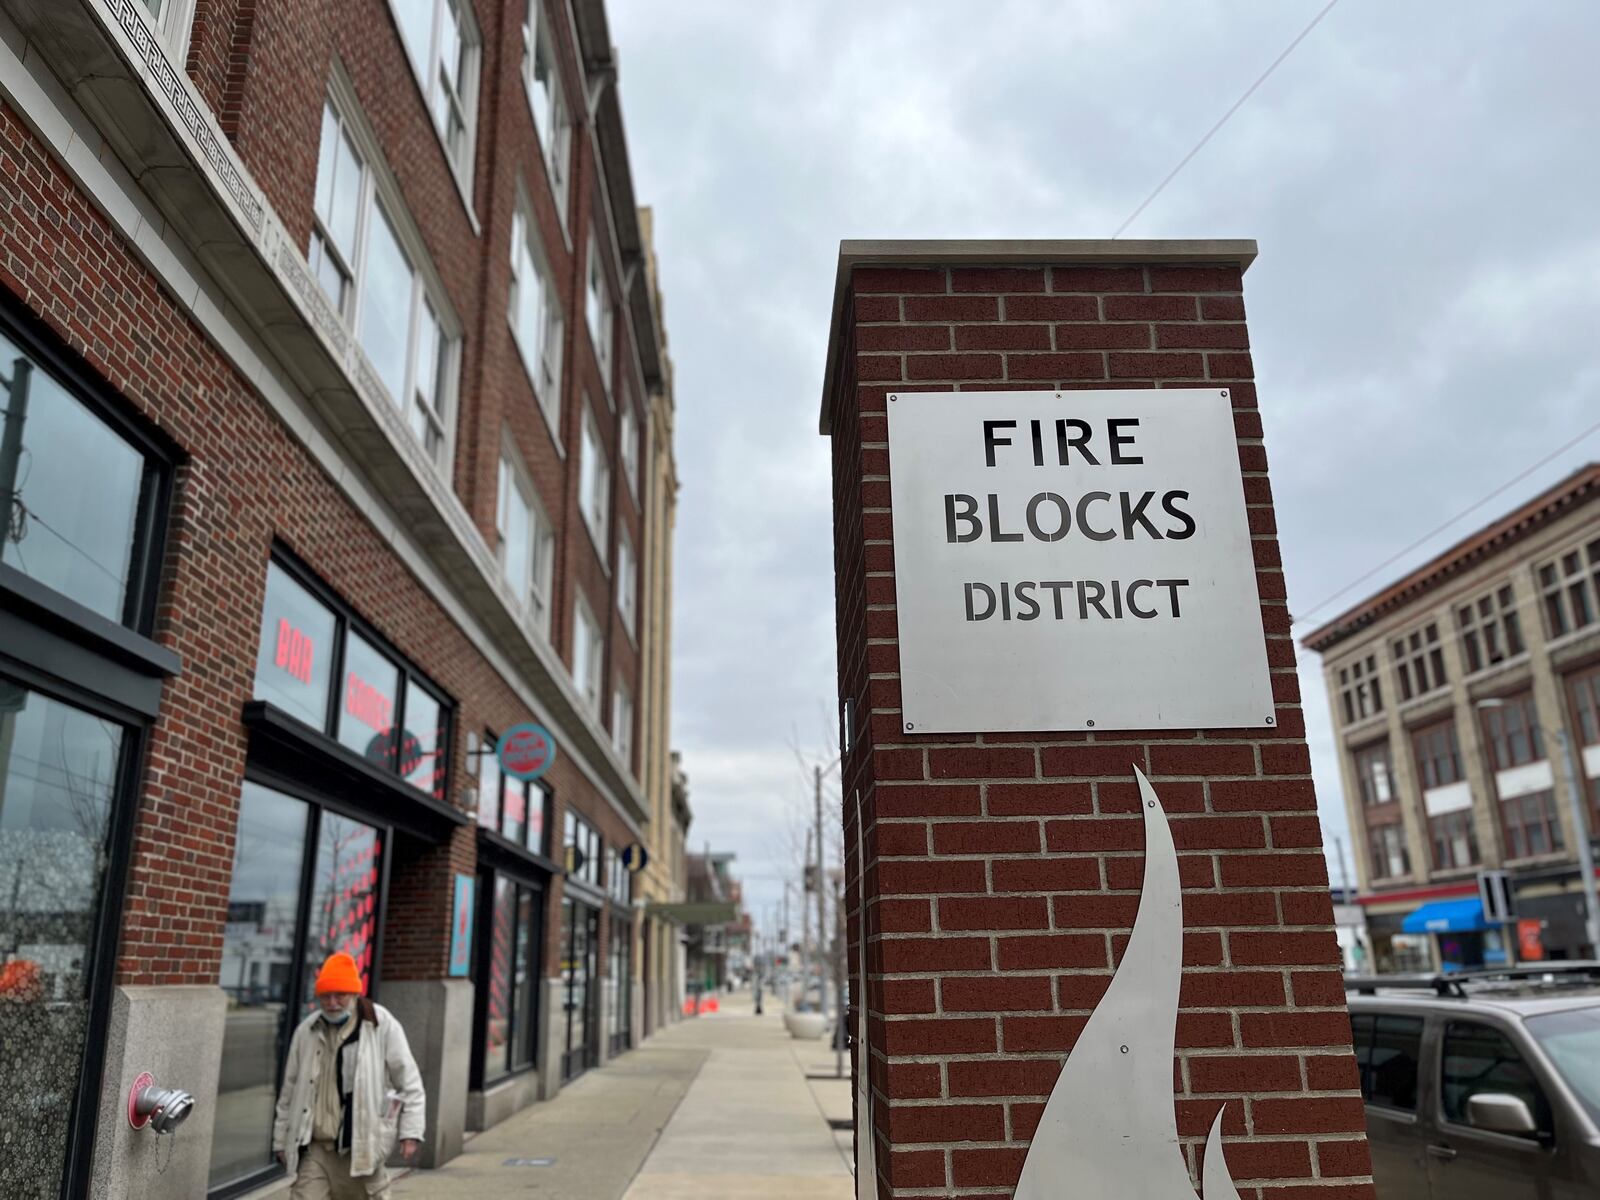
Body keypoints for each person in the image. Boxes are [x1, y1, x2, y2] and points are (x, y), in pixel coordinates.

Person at [272, 952, 426, 1199]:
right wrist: (281, 1141)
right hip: (316, 1151)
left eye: (340, 995)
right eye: (326, 996)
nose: (332, 1003)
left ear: (354, 994)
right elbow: (289, 1091)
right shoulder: (306, 1031)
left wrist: (411, 1132)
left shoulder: (381, 1024)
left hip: (364, 1147)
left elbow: (409, 1082)